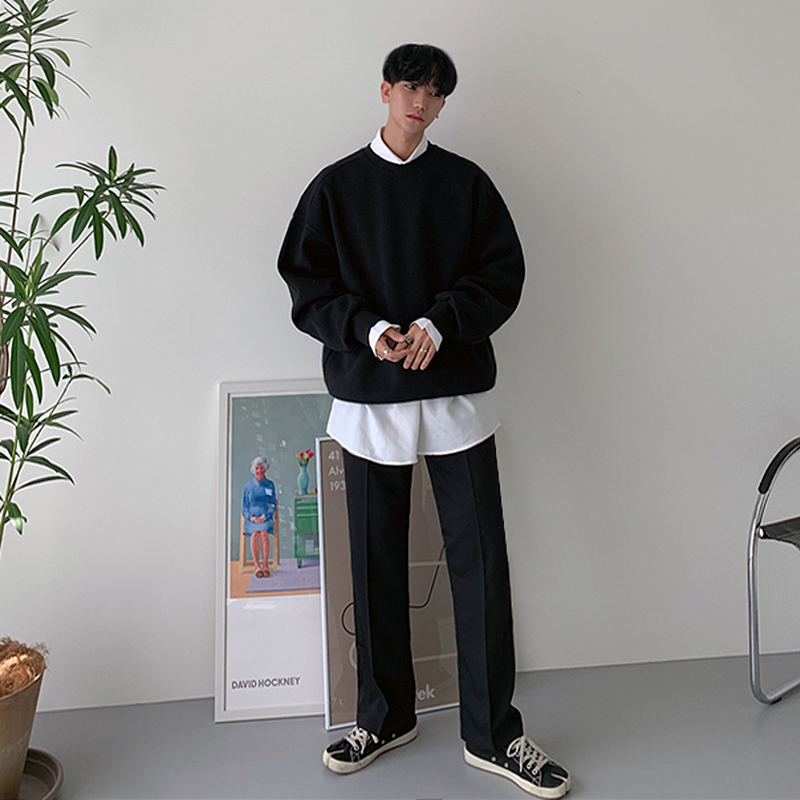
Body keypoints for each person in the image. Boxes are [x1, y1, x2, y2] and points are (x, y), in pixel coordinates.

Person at [278, 43, 571, 798]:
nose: (421, 101)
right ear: (385, 90)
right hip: (368, 399)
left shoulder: (466, 184)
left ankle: (494, 734)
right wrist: (371, 330)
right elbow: (307, 284)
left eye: (436, 92)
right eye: (411, 85)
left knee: (482, 565)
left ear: (442, 104)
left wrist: (440, 324)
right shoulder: (335, 187)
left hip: (456, 400)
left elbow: (501, 273)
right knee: (373, 563)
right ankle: (384, 717)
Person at [242, 455, 276, 578]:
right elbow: (244, 506)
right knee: (255, 534)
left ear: (265, 469)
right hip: (251, 519)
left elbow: (273, 504)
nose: (259, 471)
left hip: (265, 518)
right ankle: (257, 566)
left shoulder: (270, 485)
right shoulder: (248, 486)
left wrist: (265, 516)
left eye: (261, 468)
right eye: (257, 468)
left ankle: (265, 565)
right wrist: (250, 517)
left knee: (263, 534)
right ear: (253, 470)